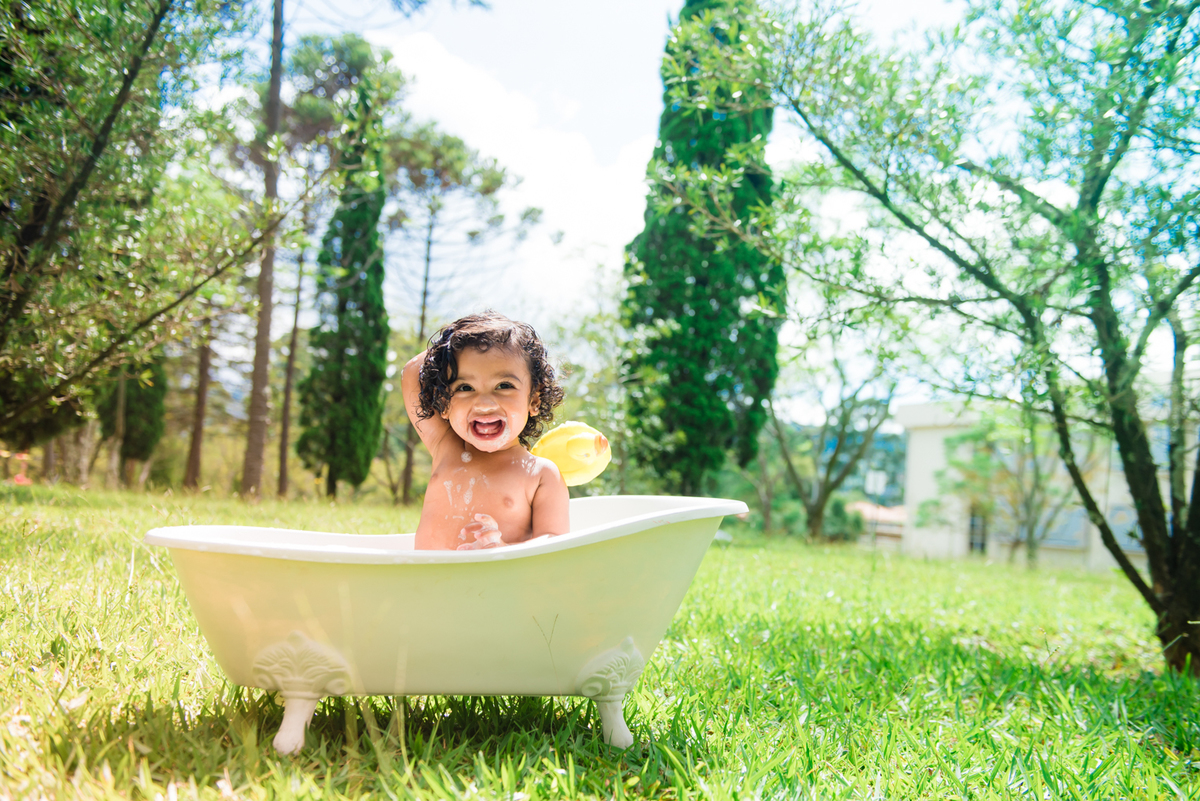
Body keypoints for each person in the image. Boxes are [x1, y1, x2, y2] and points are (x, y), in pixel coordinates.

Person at [402, 311, 569, 550]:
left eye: (503, 385)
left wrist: (503, 548)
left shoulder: (541, 474)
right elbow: (411, 373)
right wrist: (454, 342)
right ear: (444, 403)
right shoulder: (446, 448)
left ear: (534, 399)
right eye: (465, 387)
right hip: (429, 584)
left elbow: (556, 541)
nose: (484, 403)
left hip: (494, 585)